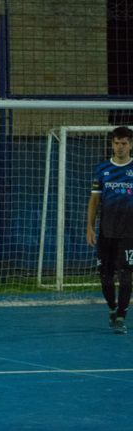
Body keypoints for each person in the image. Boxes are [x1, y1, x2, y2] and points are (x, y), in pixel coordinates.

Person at [87, 126, 133, 334]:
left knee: (126, 275)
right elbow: (94, 200)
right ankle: (112, 310)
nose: (120, 147)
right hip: (106, 232)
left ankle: (121, 316)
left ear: (131, 145)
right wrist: (89, 226)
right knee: (105, 276)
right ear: (112, 144)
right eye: (116, 143)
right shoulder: (102, 169)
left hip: (129, 234)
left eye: (124, 143)